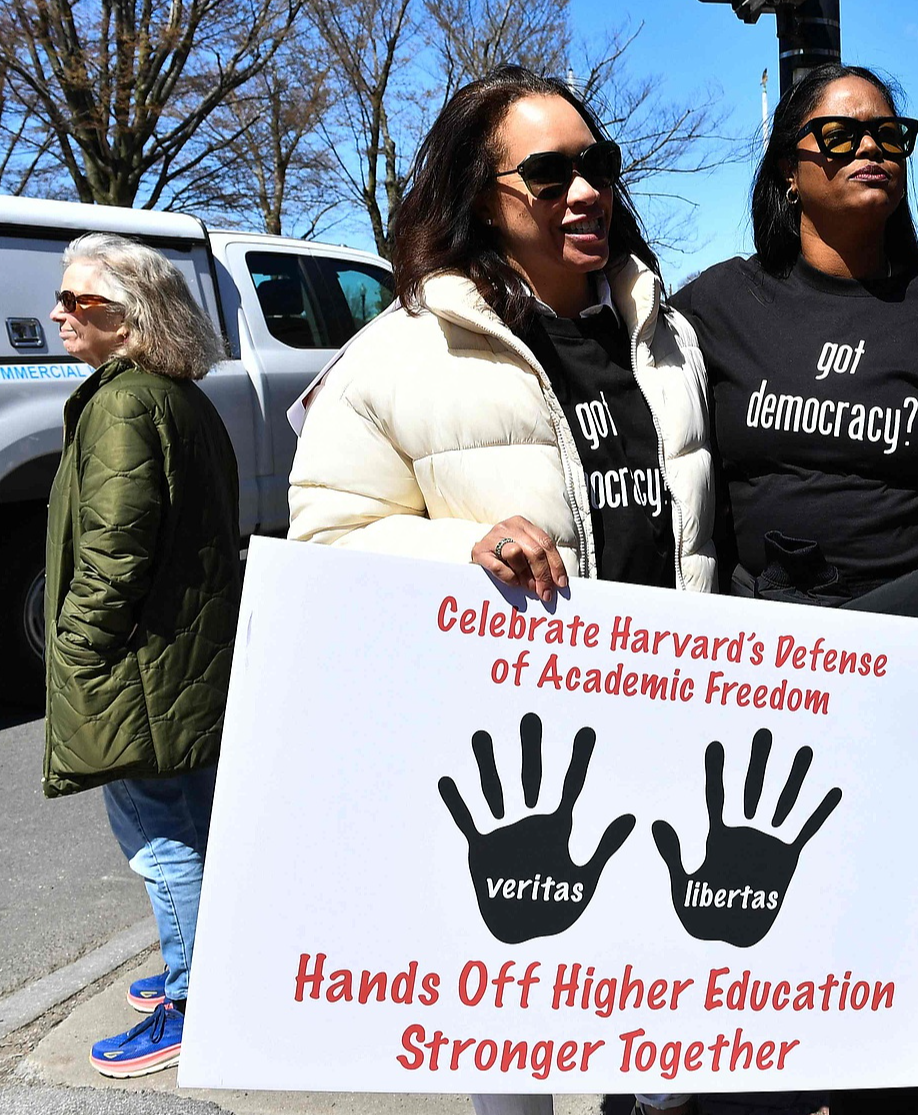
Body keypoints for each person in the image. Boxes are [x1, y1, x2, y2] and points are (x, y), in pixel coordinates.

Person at [284, 66, 714, 1115]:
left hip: (661, 734)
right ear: (482, 198)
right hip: (512, 762)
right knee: (510, 1035)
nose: (586, 192)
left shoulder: (667, 339)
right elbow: (326, 543)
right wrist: (461, 551)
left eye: (598, 165)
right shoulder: (395, 357)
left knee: (661, 1039)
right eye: (549, 174)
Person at [669, 62, 918, 1115]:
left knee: (895, 931)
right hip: (762, 670)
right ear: (787, 169)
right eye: (840, 136)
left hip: (914, 663)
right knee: (767, 914)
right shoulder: (712, 310)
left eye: (890, 133)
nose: (872, 149)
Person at [42, 233, 239, 1079]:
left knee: (159, 835)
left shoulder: (124, 405)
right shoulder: (177, 396)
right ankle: (207, 961)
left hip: (140, 663)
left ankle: (198, 1000)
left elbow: (114, 552)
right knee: (192, 816)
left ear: (129, 318)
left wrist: (75, 653)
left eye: (78, 300)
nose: (59, 312)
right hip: (184, 652)